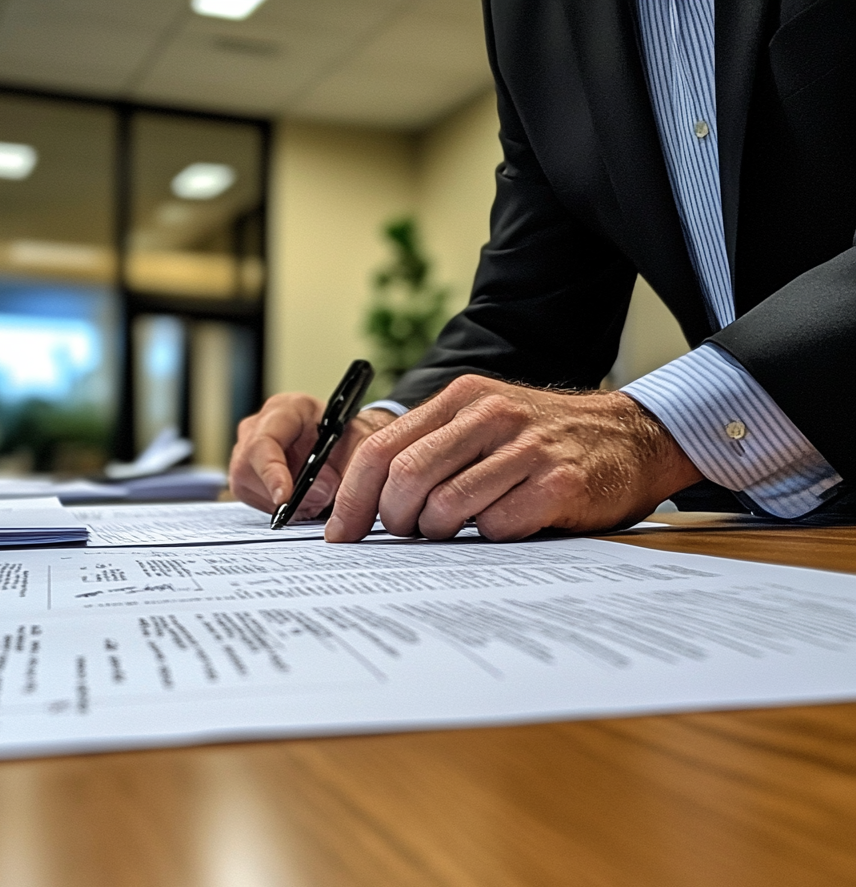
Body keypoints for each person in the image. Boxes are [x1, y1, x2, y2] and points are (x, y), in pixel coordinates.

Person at [231, 0, 855, 542]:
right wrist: (384, 433)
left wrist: (657, 429)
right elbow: (534, 312)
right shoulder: (526, 14)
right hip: (769, 540)